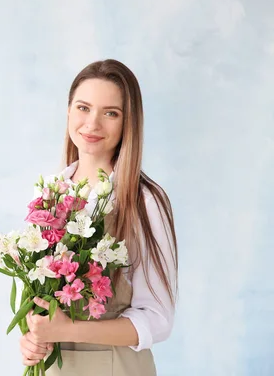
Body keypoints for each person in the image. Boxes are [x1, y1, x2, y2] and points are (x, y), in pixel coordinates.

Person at [18, 59, 178, 376]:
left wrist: (67, 330)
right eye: (83, 108)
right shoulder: (50, 195)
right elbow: (42, 300)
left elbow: (158, 319)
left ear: (128, 123)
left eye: (110, 113)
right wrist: (33, 339)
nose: (92, 123)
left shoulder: (144, 201)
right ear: (68, 112)